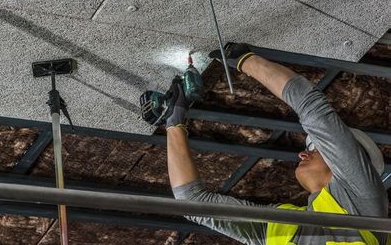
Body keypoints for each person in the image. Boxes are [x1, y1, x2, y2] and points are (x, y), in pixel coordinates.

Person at [165, 43, 389, 245]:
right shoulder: (362, 198)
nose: (302, 154)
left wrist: (174, 123)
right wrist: (246, 60)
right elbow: (312, 109)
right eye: (316, 148)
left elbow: (192, 203)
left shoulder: (281, 229)